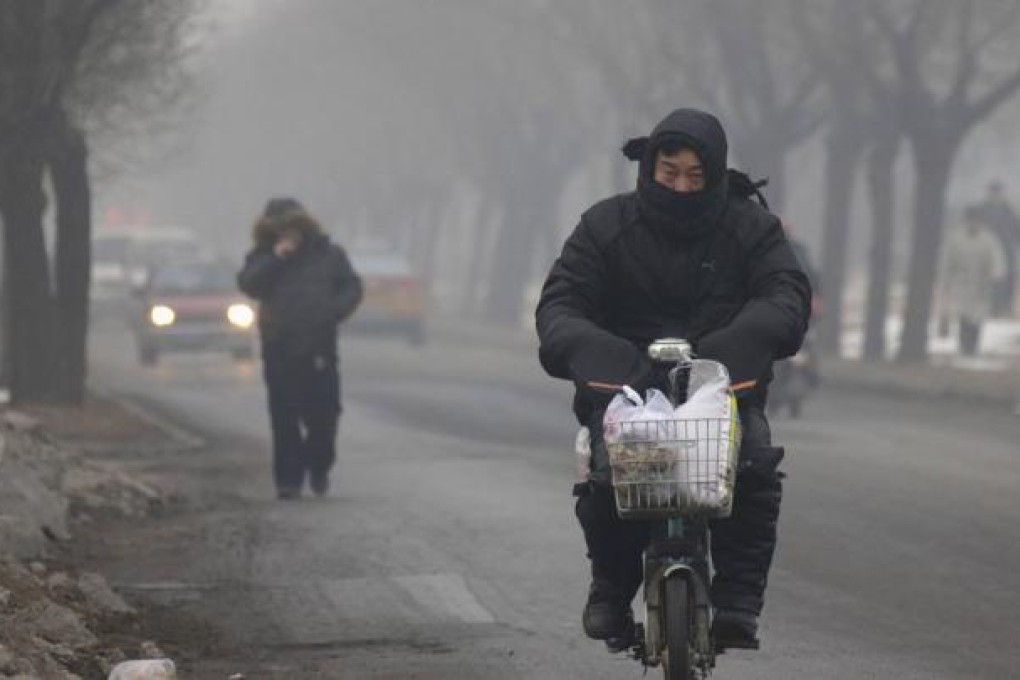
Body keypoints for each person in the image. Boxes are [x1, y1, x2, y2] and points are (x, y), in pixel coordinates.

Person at [535, 108, 811, 649]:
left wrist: (730, 353)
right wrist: (608, 359)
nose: (681, 186)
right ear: (649, 167)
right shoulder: (604, 227)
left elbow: (785, 294)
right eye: (670, 173)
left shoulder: (751, 229)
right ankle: (610, 591)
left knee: (753, 467)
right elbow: (562, 304)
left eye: (695, 175)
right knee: (608, 480)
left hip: (721, 392)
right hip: (627, 394)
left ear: (715, 174)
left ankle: (739, 601)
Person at [238, 198, 363, 500]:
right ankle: (288, 480)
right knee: (284, 417)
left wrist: (334, 311)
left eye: (292, 228)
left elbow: (351, 287)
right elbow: (249, 284)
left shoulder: (328, 254)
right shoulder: (263, 257)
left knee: (324, 415)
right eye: (280, 230)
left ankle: (319, 465)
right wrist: (275, 258)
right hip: (279, 347)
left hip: (320, 346)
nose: (288, 234)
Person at [939, 206, 1002, 357]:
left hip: (981, 284)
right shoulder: (956, 239)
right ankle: (964, 346)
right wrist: (946, 281)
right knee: (964, 315)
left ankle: (973, 346)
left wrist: (993, 279)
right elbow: (947, 261)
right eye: (970, 220)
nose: (973, 224)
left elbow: (996, 262)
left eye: (976, 220)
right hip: (961, 283)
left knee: (977, 317)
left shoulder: (988, 239)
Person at [975, 181, 1020, 316]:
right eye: (993, 192)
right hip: (985, 252)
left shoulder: (1008, 210)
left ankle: (1005, 306)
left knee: (1008, 280)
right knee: (986, 279)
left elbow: (1017, 230)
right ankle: (988, 306)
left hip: (1006, 251)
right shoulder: (982, 210)